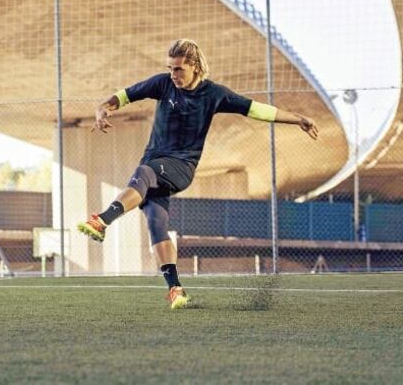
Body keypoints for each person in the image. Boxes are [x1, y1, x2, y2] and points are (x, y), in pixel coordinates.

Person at [76, 39, 318, 309]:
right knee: (156, 222)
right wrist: (103, 108)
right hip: (154, 165)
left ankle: (102, 221)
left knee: (143, 173)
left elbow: (256, 109)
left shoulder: (214, 94)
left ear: (194, 66)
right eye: (170, 68)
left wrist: (298, 118)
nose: (173, 74)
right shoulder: (163, 84)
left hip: (181, 167)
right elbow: (125, 95)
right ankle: (176, 291)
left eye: (178, 69)